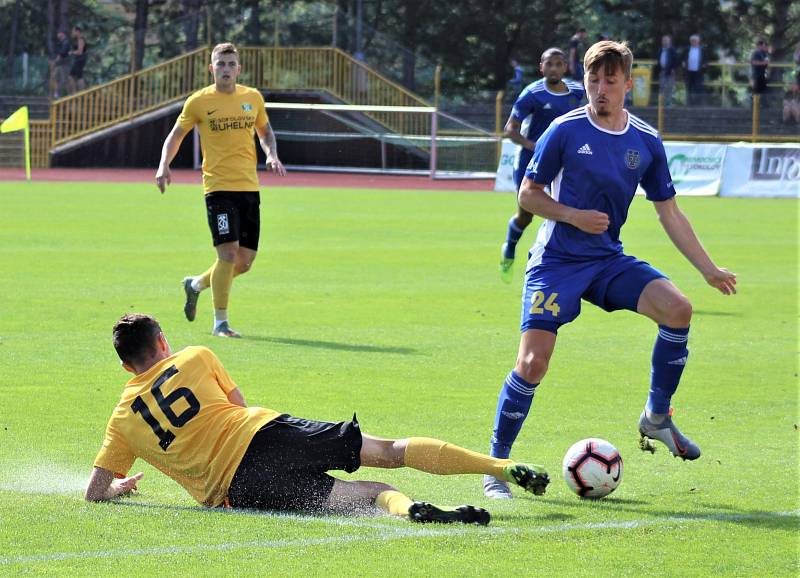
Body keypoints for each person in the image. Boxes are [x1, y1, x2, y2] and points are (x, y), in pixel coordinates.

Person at [483, 40, 736, 500]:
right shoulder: (562, 129)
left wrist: (707, 268)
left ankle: (657, 418)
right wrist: (574, 215)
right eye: (593, 80)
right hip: (556, 261)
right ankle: (496, 465)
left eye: (610, 81)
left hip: (605, 260)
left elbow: (670, 213)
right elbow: (528, 196)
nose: (599, 90)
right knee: (533, 363)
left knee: (678, 309)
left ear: (628, 84)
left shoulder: (645, 140)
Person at [85, 314, 550, 525]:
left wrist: (116, 488)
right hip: (264, 434)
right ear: (163, 342)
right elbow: (241, 406)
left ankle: (410, 511)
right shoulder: (196, 355)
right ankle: (500, 468)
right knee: (389, 453)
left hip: (241, 490)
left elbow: (93, 492)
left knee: (371, 495)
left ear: (126, 366)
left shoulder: (122, 420)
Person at [155, 42, 286, 338]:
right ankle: (220, 323)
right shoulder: (199, 102)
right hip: (217, 188)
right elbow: (176, 136)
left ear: (238, 69)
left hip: (249, 188)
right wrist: (164, 165)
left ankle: (196, 284)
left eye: (231, 64)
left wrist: (271, 154)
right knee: (227, 254)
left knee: (244, 262)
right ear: (211, 68)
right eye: (220, 64)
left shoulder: (252, 98)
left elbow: (265, 132)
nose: (226, 69)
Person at [499, 48, 585, 283]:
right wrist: (535, 146)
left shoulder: (578, 92)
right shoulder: (532, 93)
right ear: (541, 67)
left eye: (558, 64)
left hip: (563, 162)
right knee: (525, 216)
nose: (554, 68)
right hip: (532, 162)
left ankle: (559, 265)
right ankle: (510, 246)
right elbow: (510, 130)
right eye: (549, 64)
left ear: (565, 67)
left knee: (565, 210)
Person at [656, 35, 679, 106]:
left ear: (669, 41)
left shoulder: (673, 50)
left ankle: (668, 103)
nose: (665, 42)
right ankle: (660, 103)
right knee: (661, 87)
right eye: (663, 40)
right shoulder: (660, 50)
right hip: (662, 71)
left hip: (670, 72)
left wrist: (673, 69)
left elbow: (676, 61)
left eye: (666, 40)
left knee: (670, 88)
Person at [683, 34, 705, 106]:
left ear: (698, 41)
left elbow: (706, 60)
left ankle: (698, 104)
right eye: (692, 41)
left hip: (699, 72)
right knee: (688, 88)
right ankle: (689, 104)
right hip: (689, 72)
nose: (693, 42)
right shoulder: (687, 49)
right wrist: (683, 63)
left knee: (698, 88)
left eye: (695, 41)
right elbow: (683, 58)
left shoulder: (702, 49)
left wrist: (705, 66)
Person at [68, 26, 88, 93]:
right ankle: (77, 93)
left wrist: (72, 52)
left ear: (77, 31)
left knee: (76, 76)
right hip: (79, 59)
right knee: (75, 76)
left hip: (80, 59)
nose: (72, 33)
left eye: (73, 31)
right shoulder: (78, 39)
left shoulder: (81, 39)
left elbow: (80, 51)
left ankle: (79, 94)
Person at [53, 31, 71, 98]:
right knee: (56, 78)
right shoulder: (61, 42)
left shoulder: (66, 42)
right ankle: (57, 93)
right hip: (59, 64)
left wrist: (55, 61)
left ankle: (69, 95)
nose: (58, 35)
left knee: (65, 80)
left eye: (59, 34)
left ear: (63, 34)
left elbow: (62, 53)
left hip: (64, 64)